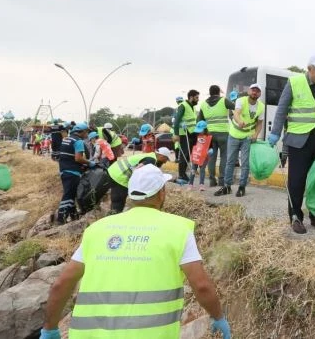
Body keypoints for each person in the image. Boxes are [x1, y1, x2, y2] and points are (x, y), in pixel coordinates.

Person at [40, 164, 231, 339]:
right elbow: (202, 286)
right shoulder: (178, 230)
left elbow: (62, 284)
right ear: (162, 193)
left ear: (131, 195)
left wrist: (50, 329)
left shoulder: (97, 229)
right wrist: (218, 317)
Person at [268, 55, 315, 234]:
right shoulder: (294, 83)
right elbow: (282, 109)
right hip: (298, 140)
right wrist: (275, 132)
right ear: (309, 69)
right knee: (297, 180)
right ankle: (295, 216)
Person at [218, 84, 265, 197]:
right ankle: (227, 186)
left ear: (259, 94)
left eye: (257, 91)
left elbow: (259, 123)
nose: (255, 92)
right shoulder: (240, 100)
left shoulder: (261, 107)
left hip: (247, 137)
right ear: (249, 91)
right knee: (230, 161)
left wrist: (256, 134)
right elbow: (236, 114)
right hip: (234, 135)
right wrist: (239, 121)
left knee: (245, 163)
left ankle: (242, 187)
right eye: (253, 90)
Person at [101, 147, 174, 214]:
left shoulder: (150, 155)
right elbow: (137, 170)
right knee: (118, 203)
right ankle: (113, 219)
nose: (165, 162)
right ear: (162, 156)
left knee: (116, 201)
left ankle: (113, 216)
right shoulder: (151, 160)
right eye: (166, 159)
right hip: (120, 176)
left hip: (113, 171)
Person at [198, 85, 236, 187]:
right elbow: (236, 107)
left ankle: (212, 180)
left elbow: (199, 121)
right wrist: (234, 99)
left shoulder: (203, 104)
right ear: (219, 92)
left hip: (210, 135)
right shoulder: (224, 101)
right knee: (224, 156)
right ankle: (222, 180)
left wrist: (205, 132)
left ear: (209, 92)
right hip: (223, 133)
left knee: (212, 157)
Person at [56, 122, 93, 224]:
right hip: (73, 172)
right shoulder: (78, 141)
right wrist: (89, 163)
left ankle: (74, 216)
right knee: (69, 195)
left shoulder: (66, 139)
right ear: (82, 132)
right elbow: (78, 158)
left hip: (63, 170)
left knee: (71, 193)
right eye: (87, 132)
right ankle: (61, 218)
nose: (87, 134)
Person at [173, 90, 200, 184]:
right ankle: (181, 175)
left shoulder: (192, 107)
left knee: (188, 155)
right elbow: (176, 120)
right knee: (184, 155)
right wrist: (176, 134)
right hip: (184, 133)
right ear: (191, 97)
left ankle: (185, 174)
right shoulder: (183, 105)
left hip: (192, 133)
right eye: (196, 98)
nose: (198, 100)